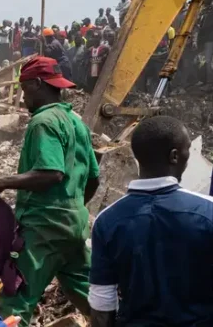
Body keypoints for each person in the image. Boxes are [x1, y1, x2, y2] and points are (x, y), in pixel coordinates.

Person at [0, 57, 99, 326]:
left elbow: (51, 172)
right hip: (74, 225)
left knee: (15, 296)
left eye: (24, 90)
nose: (24, 98)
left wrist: (1, 183)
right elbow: (93, 177)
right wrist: (73, 207)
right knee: (90, 295)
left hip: (43, 228)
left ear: (36, 84)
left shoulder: (43, 122)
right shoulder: (75, 122)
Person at [90, 116, 213, 327]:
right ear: (174, 156)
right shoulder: (207, 212)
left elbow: (102, 304)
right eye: (187, 150)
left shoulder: (107, 221)